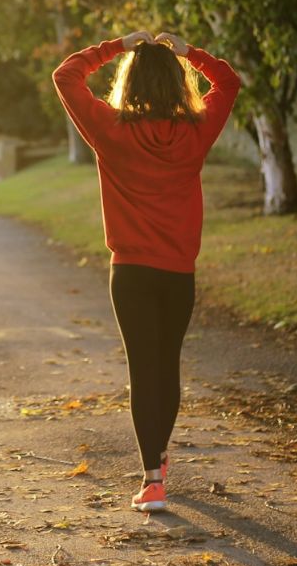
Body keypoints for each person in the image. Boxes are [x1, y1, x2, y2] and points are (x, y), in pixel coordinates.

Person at [52, 30, 241, 512]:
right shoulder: (196, 131)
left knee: (143, 369)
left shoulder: (110, 129)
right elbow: (229, 81)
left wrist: (117, 45)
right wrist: (189, 53)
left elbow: (66, 75)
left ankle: (152, 478)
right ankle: (157, 458)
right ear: (178, 84)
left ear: (129, 83)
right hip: (178, 273)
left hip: (131, 273)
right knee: (167, 366)